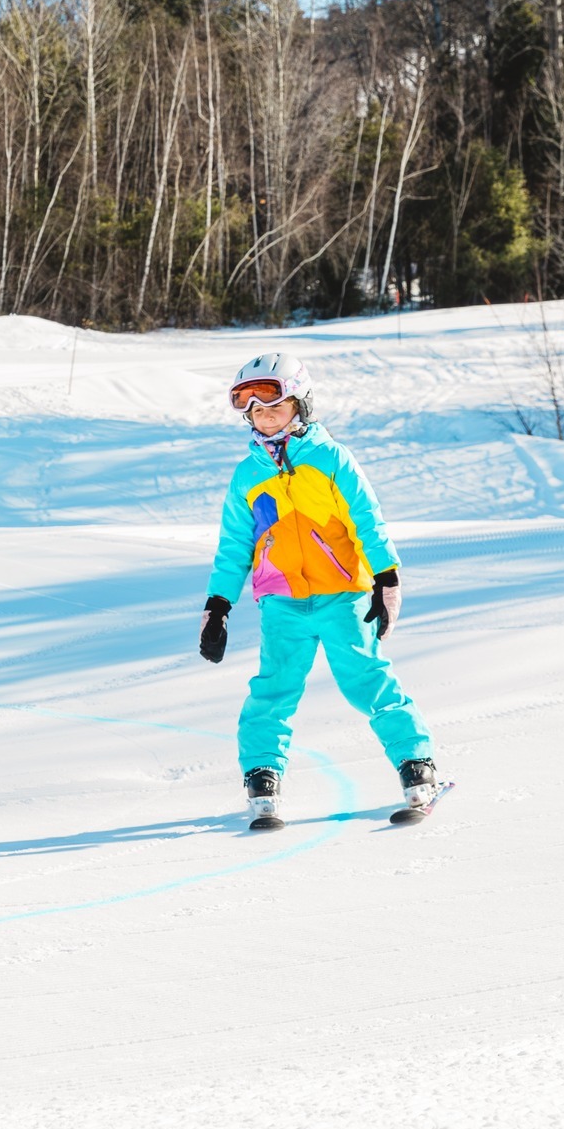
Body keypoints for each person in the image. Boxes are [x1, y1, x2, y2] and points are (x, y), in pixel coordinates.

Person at [197, 352, 439, 824]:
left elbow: (367, 520)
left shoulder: (331, 459)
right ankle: (262, 773)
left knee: (368, 681)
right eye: (253, 409)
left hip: (343, 597)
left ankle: (416, 763)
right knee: (274, 689)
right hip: (281, 603)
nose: (264, 416)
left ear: (300, 403)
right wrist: (218, 605)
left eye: (274, 405)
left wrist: (386, 578)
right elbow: (234, 546)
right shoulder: (248, 475)